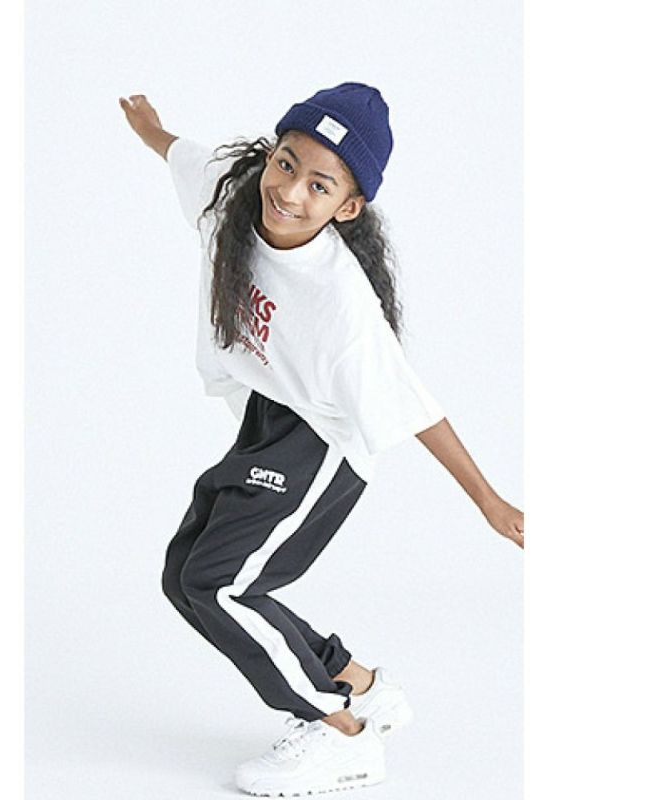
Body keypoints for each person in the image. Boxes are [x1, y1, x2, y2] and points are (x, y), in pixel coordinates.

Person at [119, 81, 523, 797]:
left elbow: (416, 407)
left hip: (324, 444)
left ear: (348, 206)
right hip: (268, 418)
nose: (289, 191)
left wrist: (490, 503)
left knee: (221, 586)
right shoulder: (231, 192)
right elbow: (180, 154)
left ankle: (341, 734)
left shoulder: (343, 307)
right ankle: (362, 685)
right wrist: (150, 126)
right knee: (185, 574)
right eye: (286, 163)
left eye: (319, 185)